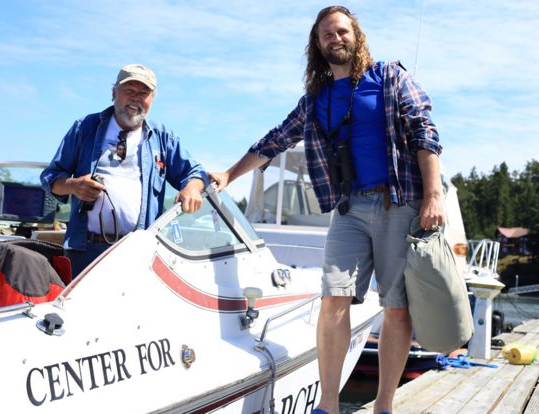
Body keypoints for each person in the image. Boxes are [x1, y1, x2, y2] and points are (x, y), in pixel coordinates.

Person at [210, 6, 443, 414]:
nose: (335, 39)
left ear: (357, 35)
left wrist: (434, 194)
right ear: (317, 47)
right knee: (333, 299)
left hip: (398, 202)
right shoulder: (316, 100)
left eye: (341, 31)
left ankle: (384, 404)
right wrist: (230, 174)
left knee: (396, 306)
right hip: (349, 209)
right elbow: (274, 141)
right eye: (326, 35)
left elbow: (425, 130)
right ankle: (329, 405)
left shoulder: (389, 77)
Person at [41, 64, 208, 279]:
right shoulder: (85, 127)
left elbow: (195, 172)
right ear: (114, 93)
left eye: (143, 93)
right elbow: (50, 178)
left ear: (152, 99)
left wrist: (192, 188)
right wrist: (74, 186)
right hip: (86, 251)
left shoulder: (163, 137)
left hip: (139, 254)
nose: (136, 98)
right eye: (129, 90)